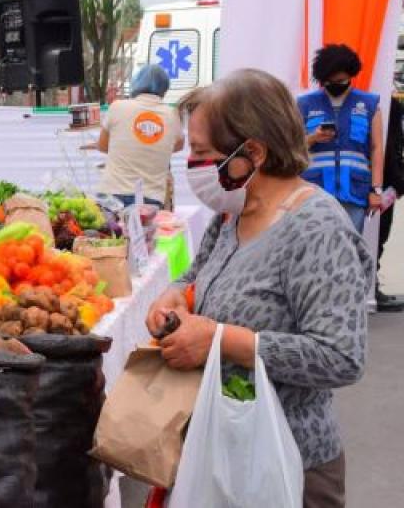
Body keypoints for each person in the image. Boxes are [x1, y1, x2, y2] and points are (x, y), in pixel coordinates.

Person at [147, 69, 372, 507]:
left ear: (252, 152)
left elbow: (341, 358)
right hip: (221, 454)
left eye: (202, 153)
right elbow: (195, 274)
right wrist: (173, 294)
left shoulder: (316, 228)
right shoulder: (232, 213)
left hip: (288, 465)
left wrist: (218, 339)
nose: (193, 166)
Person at [297, 44, 384, 233]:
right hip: (313, 194)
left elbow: (377, 148)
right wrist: (313, 138)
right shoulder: (304, 104)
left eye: (341, 80)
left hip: (354, 192)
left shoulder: (369, 104)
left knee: (349, 252)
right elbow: (292, 148)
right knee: (314, 253)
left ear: (351, 75)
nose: (335, 84)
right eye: (329, 81)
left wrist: (376, 190)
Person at [95, 64, 184, 208]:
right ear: (165, 88)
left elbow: (103, 146)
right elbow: (179, 145)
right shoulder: (172, 114)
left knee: (108, 231)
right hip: (151, 199)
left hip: (112, 195)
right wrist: (152, 148)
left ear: (136, 83)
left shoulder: (117, 107)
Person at [376, 96, 404, 311]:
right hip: (366, 183)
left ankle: (373, 286)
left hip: (388, 183)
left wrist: (398, 180)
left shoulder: (393, 105)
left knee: (381, 235)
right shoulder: (365, 102)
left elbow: (395, 143)